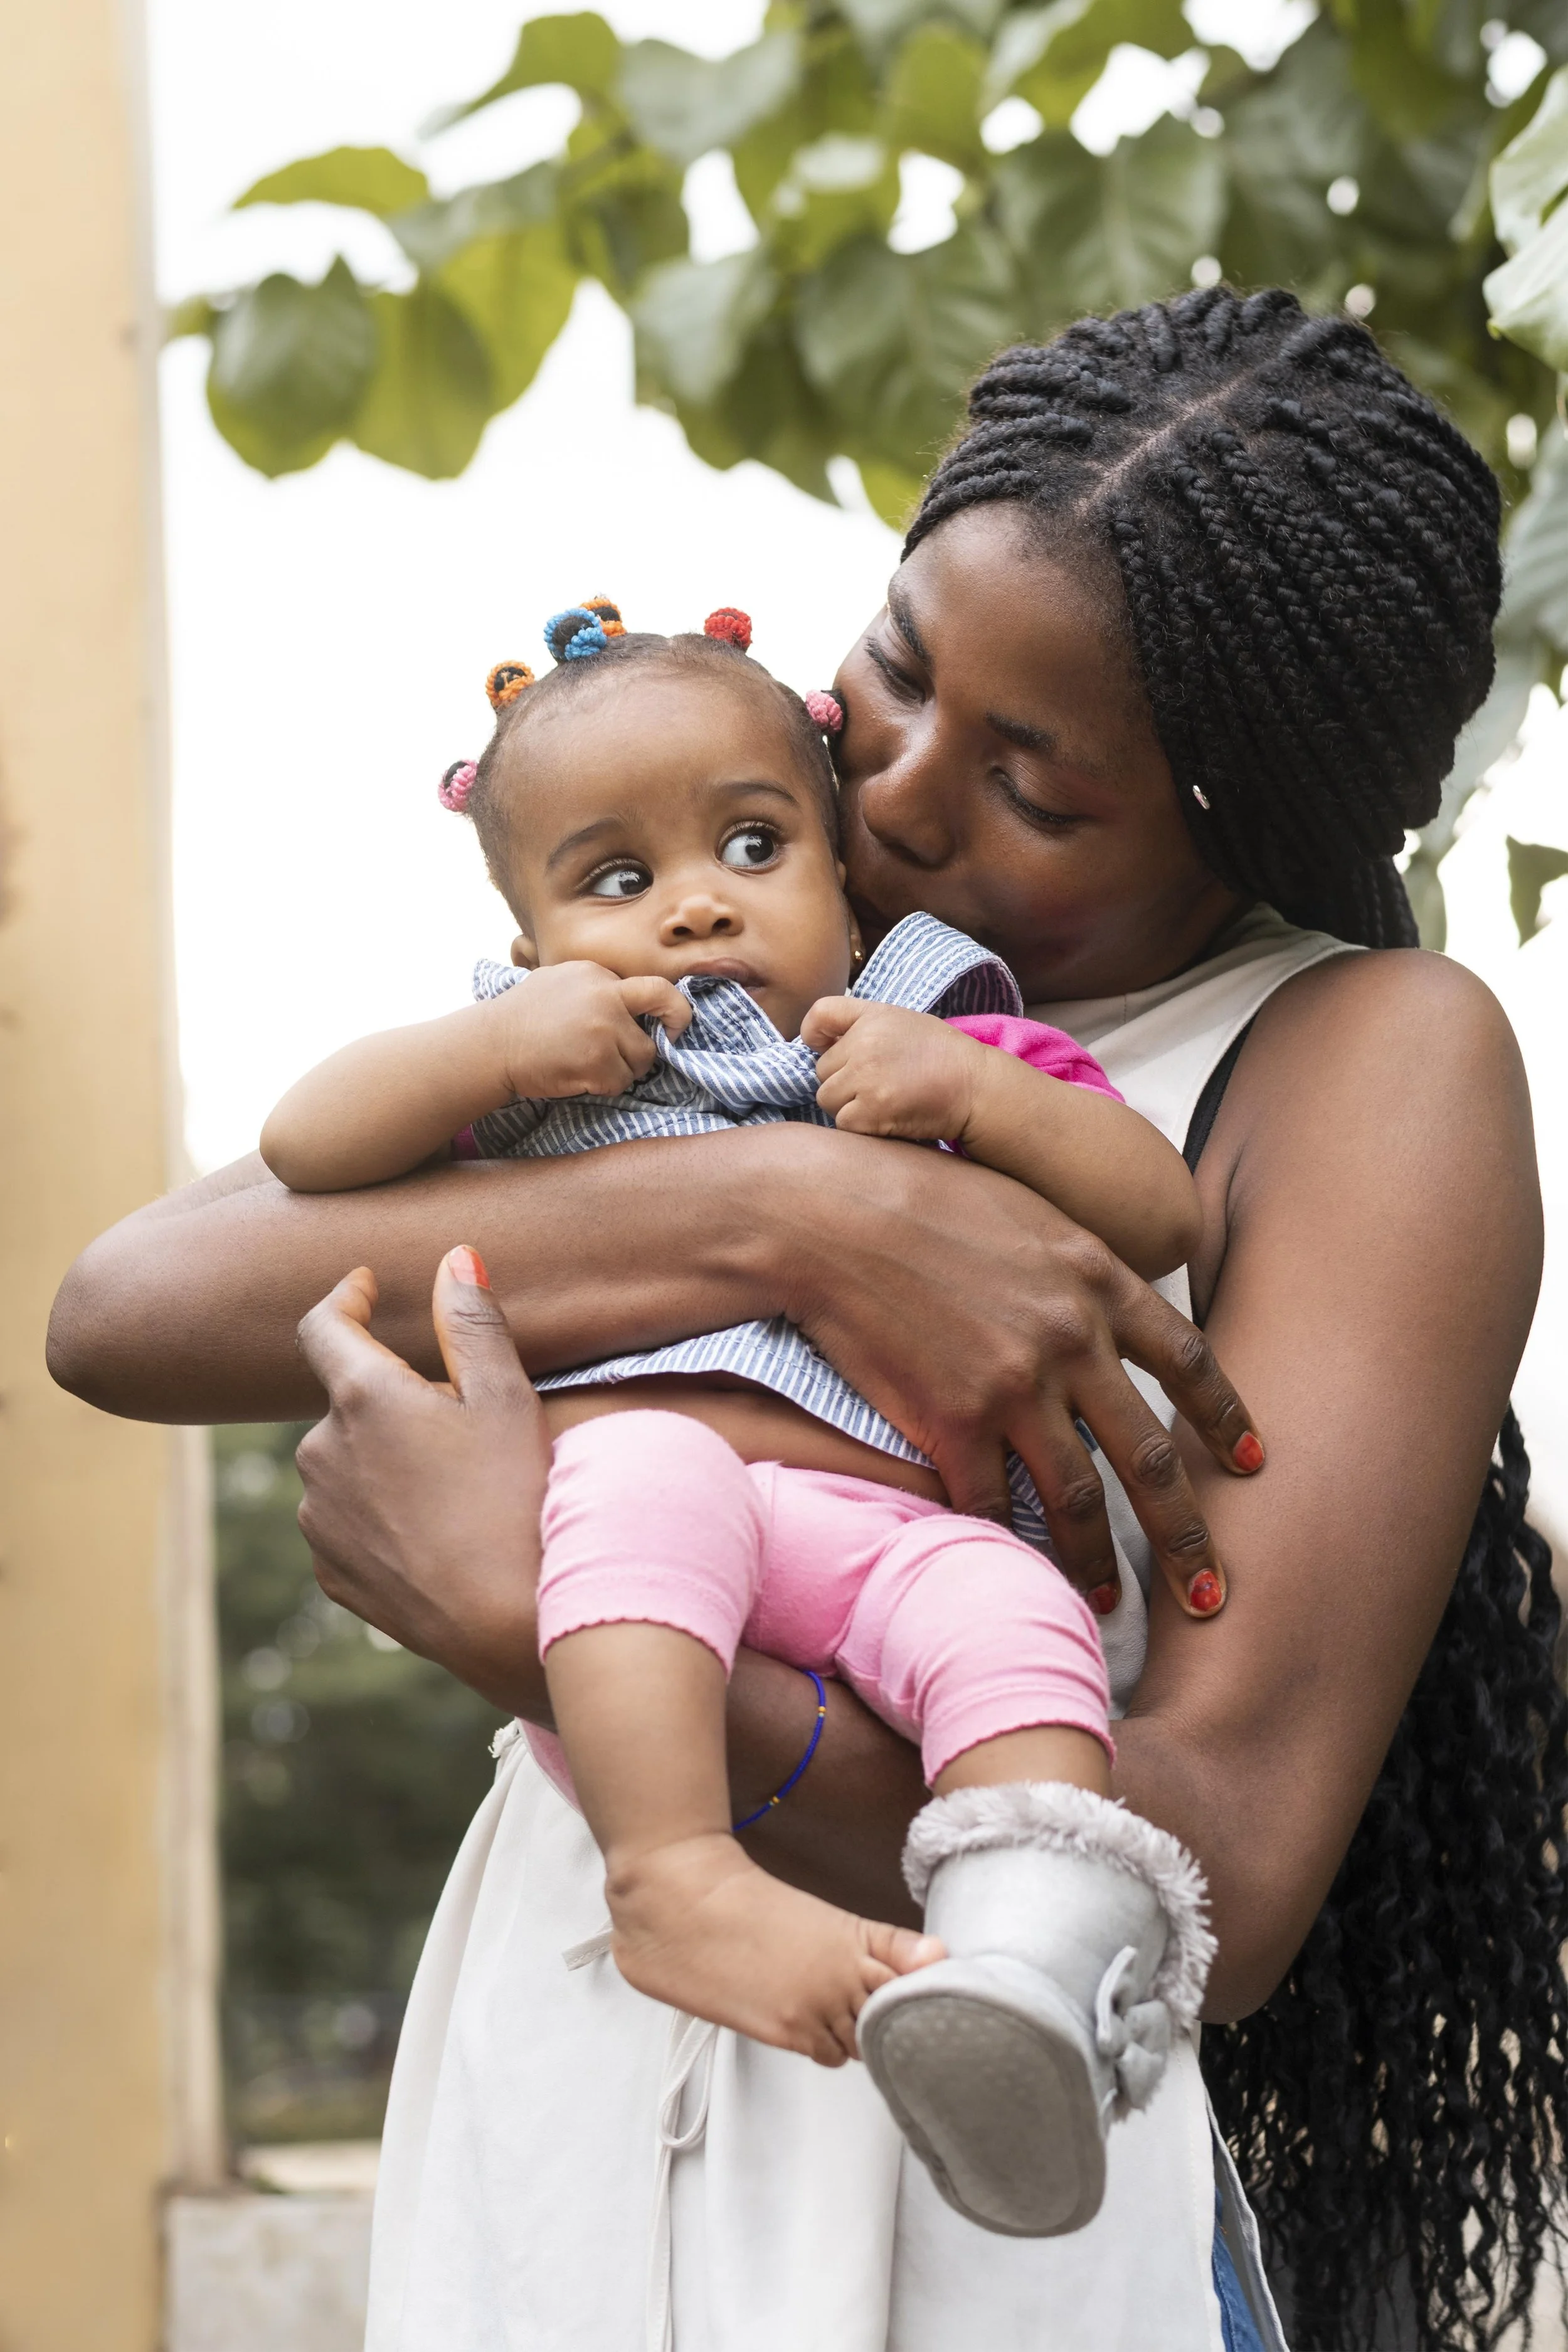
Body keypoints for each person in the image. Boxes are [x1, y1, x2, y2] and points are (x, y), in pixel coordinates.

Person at [48, 288, 1568, 2351]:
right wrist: (801, 1209)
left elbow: (1226, 1870)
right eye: (898, 672)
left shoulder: (1355, 1058)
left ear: (1249, 819)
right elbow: (135, 1302)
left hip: (974, 2161)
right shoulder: (712, 945)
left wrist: (540, 1624)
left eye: (1037, 784)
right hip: (560, 2078)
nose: (906, 796)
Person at [255, 596, 1220, 2233]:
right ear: (531, 926)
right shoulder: (539, 1066)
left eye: (753, 844)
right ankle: (673, 1875)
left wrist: (980, 1091)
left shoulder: (939, 1026)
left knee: (1021, 1619)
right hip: (645, 1553)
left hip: (899, 1539)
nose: (694, 905)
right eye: (614, 883)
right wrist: (484, 1043)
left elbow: (1159, 1215)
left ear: (844, 874)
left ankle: (1021, 1968)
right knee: (639, 1471)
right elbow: (304, 1141)